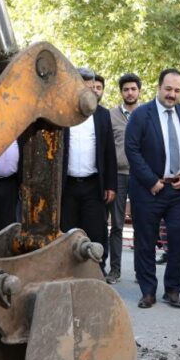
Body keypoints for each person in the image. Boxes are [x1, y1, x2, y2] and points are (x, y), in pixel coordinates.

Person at [125, 68, 180, 309]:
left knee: (179, 239)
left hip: (178, 190)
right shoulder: (141, 115)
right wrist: (151, 181)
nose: (172, 94)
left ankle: (173, 290)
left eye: (177, 90)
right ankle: (148, 291)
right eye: (168, 89)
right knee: (145, 241)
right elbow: (132, 149)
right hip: (149, 190)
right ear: (159, 88)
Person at [62, 68, 117, 269]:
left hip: (94, 186)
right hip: (67, 186)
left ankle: (98, 274)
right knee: (67, 232)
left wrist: (111, 185)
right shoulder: (63, 113)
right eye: (83, 87)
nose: (89, 91)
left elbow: (109, 152)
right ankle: (68, 274)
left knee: (96, 232)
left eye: (92, 87)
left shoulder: (102, 115)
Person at [106, 73, 142, 284]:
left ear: (139, 91)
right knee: (117, 225)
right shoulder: (111, 115)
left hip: (140, 177)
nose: (130, 92)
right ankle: (115, 270)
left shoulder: (147, 114)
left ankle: (141, 271)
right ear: (121, 92)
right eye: (126, 89)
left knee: (141, 225)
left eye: (133, 89)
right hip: (118, 176)